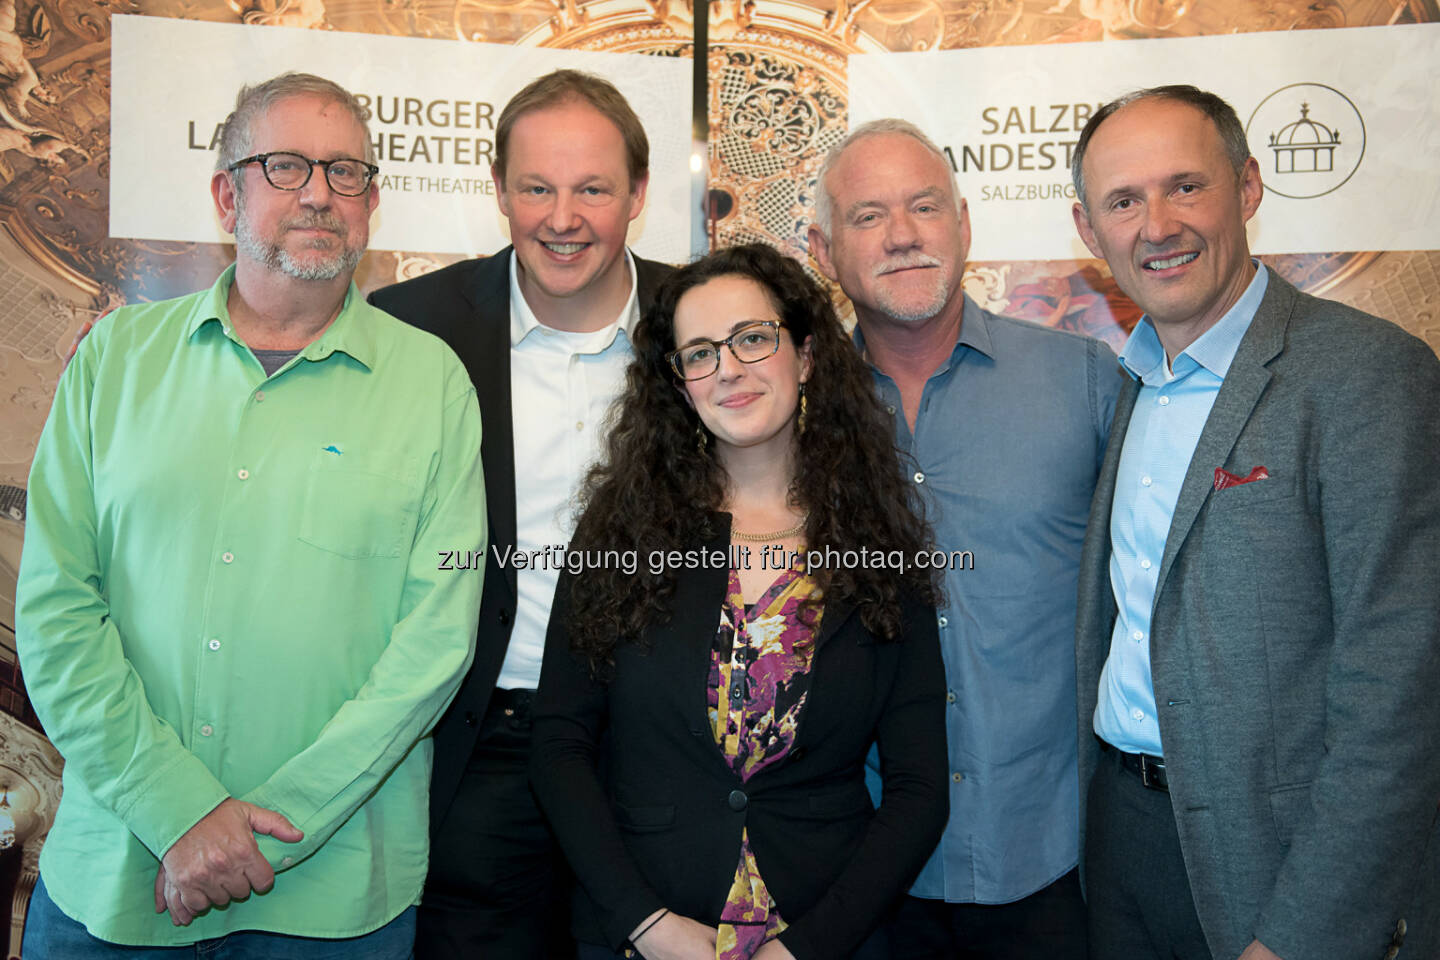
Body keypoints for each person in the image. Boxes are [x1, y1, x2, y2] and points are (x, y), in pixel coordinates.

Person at [15, 72, 485, 956]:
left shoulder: (433, 388)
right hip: (116, 879)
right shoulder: (114, 361)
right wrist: (179, 810)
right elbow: (55, 610)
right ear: (227, 193)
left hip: (334, 896)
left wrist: (266, 829)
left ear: (372, 202)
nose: (319, 192)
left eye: (345, 172)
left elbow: (433, 646)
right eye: (286, 166)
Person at [1069, 84, 1440, 960]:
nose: (1157, 224)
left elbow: (1401, 694)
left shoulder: (1364, 376)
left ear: (1248, 187)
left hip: (1281, 874)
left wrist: (1304, 934)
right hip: (1122, 843)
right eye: (1123, 201)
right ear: (1090, 234)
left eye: (1185, 186)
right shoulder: (1130, 382)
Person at [529, 242, 949, 960]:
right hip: (645, 935)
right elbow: (559, 746)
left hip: (825, 933)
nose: (729, 369)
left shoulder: (878, 542)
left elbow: (918, 790)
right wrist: (645, 924)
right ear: (678, 383)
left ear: (806, 355)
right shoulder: (622, 531)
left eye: (752, 339)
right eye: (699, 353)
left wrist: (808, 949)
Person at [368, 69, 672, 958]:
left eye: (592, 189)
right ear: (499, 189)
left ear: (639, 196)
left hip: (656, 745)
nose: (561, 217)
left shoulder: (705, 322)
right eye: (536, 187)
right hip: (485, 746)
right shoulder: (412, 328)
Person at [806, 118, 1124, 958]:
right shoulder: (788, 419)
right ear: (821, 248)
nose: (904, 235)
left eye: (925, 207)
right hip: (863, 876)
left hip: (1056, 860)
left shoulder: (1084, 382)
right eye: (869, 216)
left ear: (966, 223)